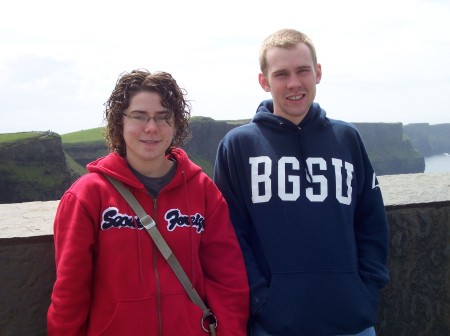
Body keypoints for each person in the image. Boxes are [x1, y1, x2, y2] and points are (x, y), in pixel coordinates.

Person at [213, 29, 389, 336]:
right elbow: (231, 233)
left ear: (318, 73)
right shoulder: (238, 146)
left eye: (302, 71)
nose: (294, 83)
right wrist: (261, 300)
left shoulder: (347, 139)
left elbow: (371, 220)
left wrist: (366, 291)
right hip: (274, 325)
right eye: (281, 74)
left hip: (353, 323)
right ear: (264, 81)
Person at [47, 69, 249, 335]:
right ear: (120, 123)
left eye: (163, 117)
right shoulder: (87, 195)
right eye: (139, 116)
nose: (151, 127)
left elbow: (228, 281)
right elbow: (70, 292)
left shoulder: (203, 192)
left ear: (176, 124)